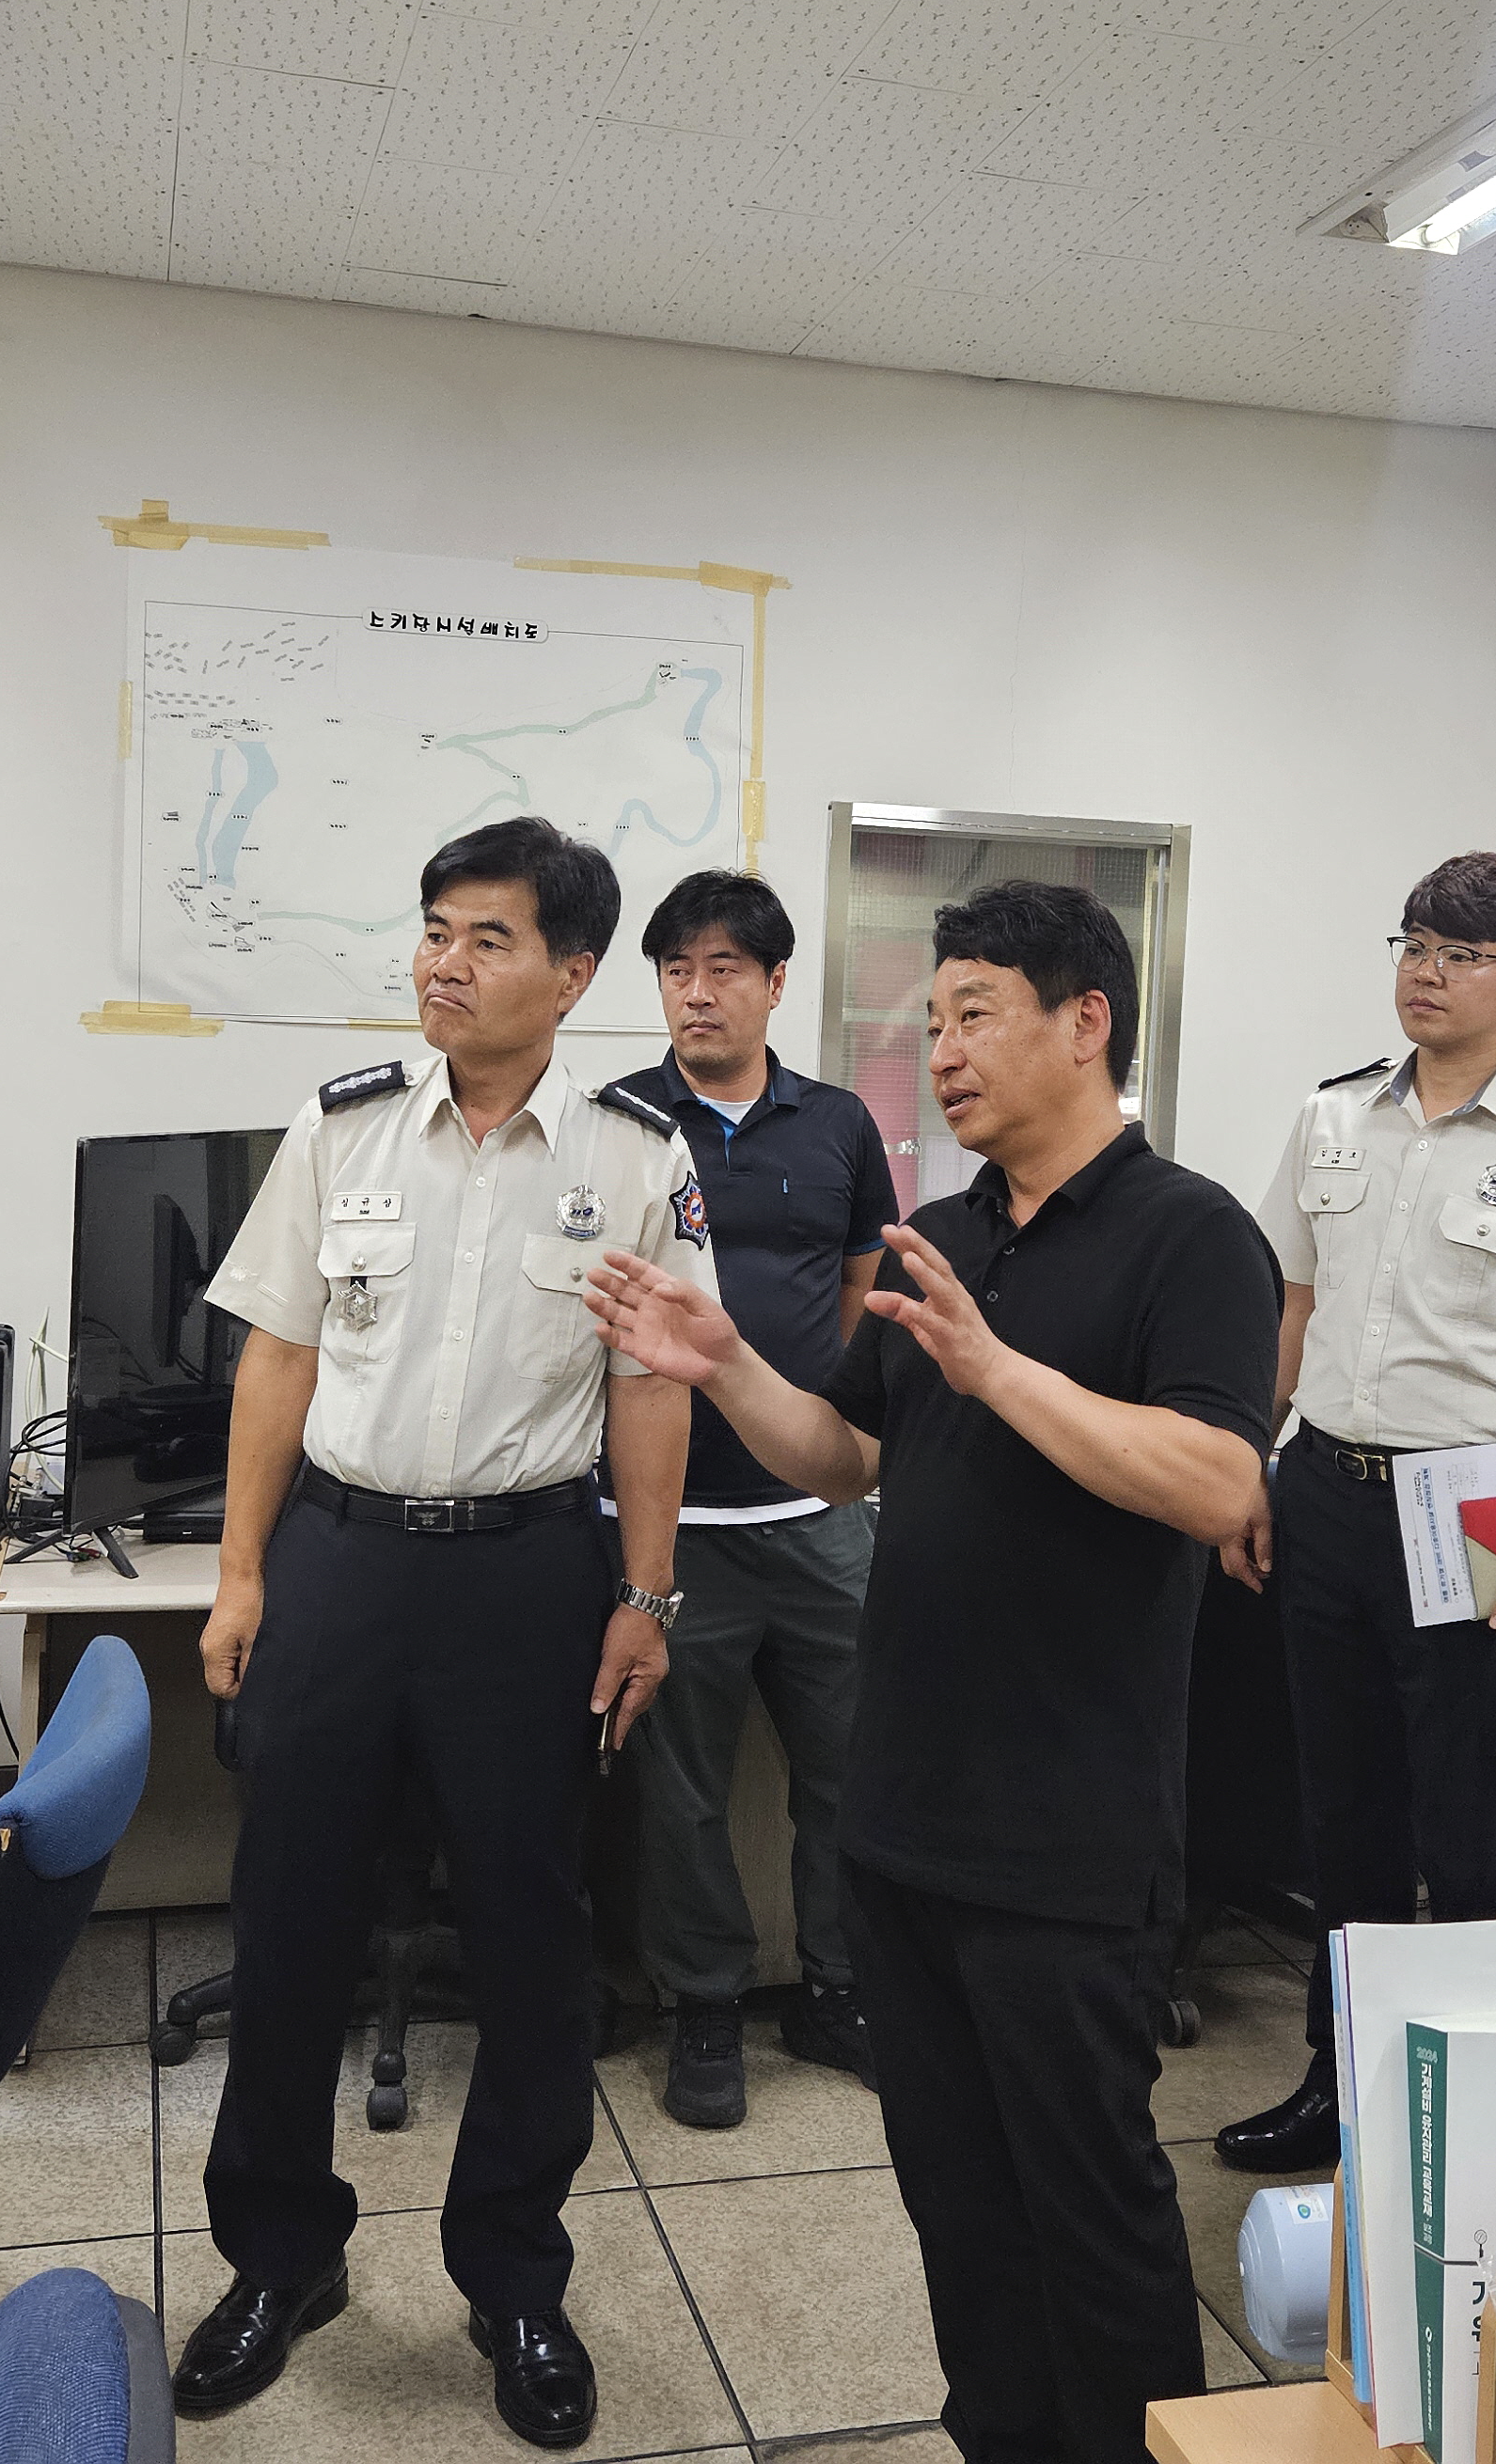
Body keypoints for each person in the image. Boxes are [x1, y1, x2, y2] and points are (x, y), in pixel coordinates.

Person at [581, 880, 1279, 2464]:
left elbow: (1218, 1483)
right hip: (905, 1816)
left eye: (974, 1016)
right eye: (931, 1021)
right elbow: (844, 1454)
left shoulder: (1191, 1234)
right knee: (957, 2202)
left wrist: (998, 1369)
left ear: (1086, 1023)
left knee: (1088, 2205)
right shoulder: (944, 1237)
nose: (940, 1052)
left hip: (1066, 1832)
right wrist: (725, 1363)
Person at [178, 815, 712, 2451]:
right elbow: (278, 1356)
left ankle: (515, 2279)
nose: (445, 964)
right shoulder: (342, 1127)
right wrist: (242, 1574)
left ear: (571, 973)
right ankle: (282, 2257)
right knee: (290, 1918)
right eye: (433, 930)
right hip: (340, 1562)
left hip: (526, 1577)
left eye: (487, 938)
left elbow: (651, 1389)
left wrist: (645, 1595)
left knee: (536, 1939)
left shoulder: (637, 1158)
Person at [1216, 850, 1496, 2176]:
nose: (1426, 973)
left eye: (1460, 955)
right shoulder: (1334, 1116)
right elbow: (1289, 1308)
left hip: (1469, 1514)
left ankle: (1481, 2107)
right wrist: (1245, 1467)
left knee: (1465, 1816)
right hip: (1325, 1489)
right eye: (1413, 944)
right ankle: (1339, 2081)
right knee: (1340, 1809)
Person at [610, 869, 900, 2127]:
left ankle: (838, 1989)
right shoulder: (619, 1122)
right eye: (677, 969)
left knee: (851, 1771)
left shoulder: (838, 1124)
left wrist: (827, 1429)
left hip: (822, 1520)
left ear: (777, 983)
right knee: (681, 1792)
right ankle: (707, 2005)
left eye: (724, 968)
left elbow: (859, 1287)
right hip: (676, 1525)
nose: (698, 992)